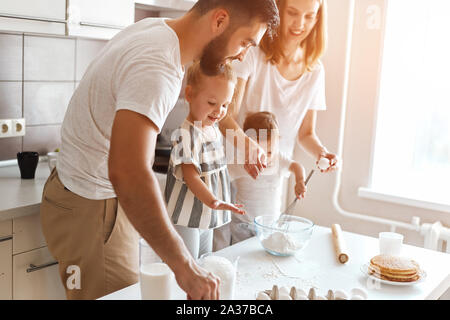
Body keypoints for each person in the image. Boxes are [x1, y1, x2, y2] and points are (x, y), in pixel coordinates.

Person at [40, 0, 280, 300]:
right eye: (245, 42)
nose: (243, 55)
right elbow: (128, 172)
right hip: (94, 209)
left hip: (86, 199)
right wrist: (185, 266)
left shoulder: (157, 31)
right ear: (219, 20)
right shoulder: (159, 67)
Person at [214, 0, 338, 250]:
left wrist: (321, 153)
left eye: (309, 16)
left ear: (318, 19)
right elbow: (225, 116)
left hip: (271, 182)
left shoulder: (315, 71)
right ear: (278, 10)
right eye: (292, 13)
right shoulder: (252, 54)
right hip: (235, 174)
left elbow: (305, 133)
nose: (299, 24)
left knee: (260, 248)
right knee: (224, 250)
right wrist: (250, 148)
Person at [165, 61, 245, 260]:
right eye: (212, 103)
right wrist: (214, 201)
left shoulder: (213, 129)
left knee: (205, 261)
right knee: (188, 264)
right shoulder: (187, 134)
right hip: (186, 217)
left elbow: (216, 168)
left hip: (205, 215)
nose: (219, 111)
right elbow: (191, 177)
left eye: (225, 105)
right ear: (190, 95)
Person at [225, 112, 307, 244]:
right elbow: (222, 178)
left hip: (270, 223)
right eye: (259, 151)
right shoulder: (239, 161)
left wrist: (300, 181)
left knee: (264, 253)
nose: (265, 157)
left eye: (269, 151)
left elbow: (296, 166)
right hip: (242, 223)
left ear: (277, 142)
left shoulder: (278, 159)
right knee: (241, 252)